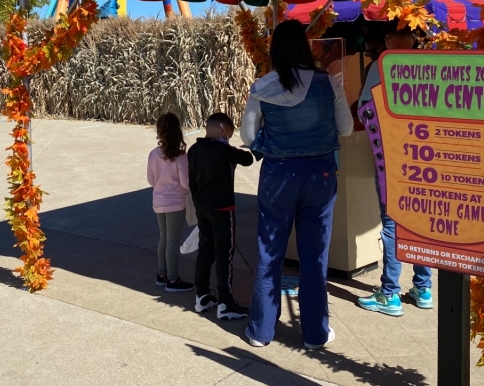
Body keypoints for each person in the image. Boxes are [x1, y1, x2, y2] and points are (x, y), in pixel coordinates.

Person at [240, 19, 354, 349]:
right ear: (306, 47)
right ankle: (316, 333)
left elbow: (248, 137)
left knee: (269, 254)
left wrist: (275, 142)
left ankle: (261, 331)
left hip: (278, 178)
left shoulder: (262, 86)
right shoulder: (328, 82)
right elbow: (345, 129)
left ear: (275, 50)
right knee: (315, 255)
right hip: (320, 177)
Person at [356, 23, 434, 316]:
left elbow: (366, 112)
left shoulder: (382, 65)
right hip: (426, 158)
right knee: (421, 218)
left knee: (392, 222)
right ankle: (423, 288)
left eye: (389, 35)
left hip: (391, 157)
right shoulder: (431, 64)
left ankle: (390, 294)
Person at [188, 112, 254, 320]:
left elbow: (192, 181)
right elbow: (248, 159)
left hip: (202, 207)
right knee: (224, 254)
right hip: (223, 209)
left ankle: (202, 296)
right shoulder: (224, 150)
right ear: (223, 131)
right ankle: (225, 302)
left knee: (205, 250)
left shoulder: (194, 150)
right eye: (229, 135)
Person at [146, 113, 194, 294]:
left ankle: (162, 273)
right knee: (173, 242)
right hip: (175, 203)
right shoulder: (181, 156)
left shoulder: (153, 154)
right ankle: (173, 279)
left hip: (158, 202)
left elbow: (151, 180)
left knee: (164, 239)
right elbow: (185, 183)